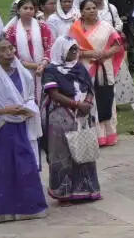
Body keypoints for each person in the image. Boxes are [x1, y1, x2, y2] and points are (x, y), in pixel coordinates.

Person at [0, 36, 47, 224]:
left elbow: (29, 96)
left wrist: (27, 108)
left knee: (26, 166)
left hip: (22, 125)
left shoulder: (23, 74)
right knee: (3, 170)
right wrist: (6, 110)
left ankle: (29, 208)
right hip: (3, 129)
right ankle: (1, 211)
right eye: (3, 49)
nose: (9, 52)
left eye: (11, 48)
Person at [40, 40, 100, 203]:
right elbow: (53, 94)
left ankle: (86, 190)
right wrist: (76, 105)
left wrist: (87, 103)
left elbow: (89, 87)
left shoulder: (79, 67)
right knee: (62, 154)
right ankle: (64, 192)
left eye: (76, 48)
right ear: (61, 50)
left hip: (82, 115)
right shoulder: (51, 70)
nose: (74, 52)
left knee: (83, 149)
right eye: (70, 49)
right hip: (60, 114)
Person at [68, 0, 126, 146]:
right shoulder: (75, 29)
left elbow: (118, 46)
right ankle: (93, 136)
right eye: (88, 9)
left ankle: (109, 135)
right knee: (88, 100)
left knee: (107, 99)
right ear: (81, 12)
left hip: (104, 68)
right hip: (85, 69)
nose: (92, 11)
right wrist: (89, 53)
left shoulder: (106, 26)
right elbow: (69, 50)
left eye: (94, 8)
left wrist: (105, 54)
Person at [5, 0, 54, 108]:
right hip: (21, 70)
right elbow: (9, 52)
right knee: (24, 99)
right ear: (18, 11)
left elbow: (50, 47)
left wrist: (43, 64)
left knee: (44, 99)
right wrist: (30, 65)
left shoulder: (43, 27)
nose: (28, 11)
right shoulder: (11, 31)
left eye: (31, 8)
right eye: (25, 8)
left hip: (43, 69)